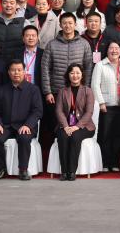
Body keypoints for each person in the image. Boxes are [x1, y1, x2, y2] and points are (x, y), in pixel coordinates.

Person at [40, 13, 93, 150]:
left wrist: (85, 89)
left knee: (76, 126)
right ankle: (56, 157)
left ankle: (72, 155)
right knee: (57, 126)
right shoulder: (52, 44)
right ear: (60, 25)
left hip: (78, 92)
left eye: (70, 23)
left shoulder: (84, 44)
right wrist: (47, 91)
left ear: (75, 24)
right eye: (64, 23)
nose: (67, 26)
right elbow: (45, 68)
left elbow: (88, 67)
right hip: (56, 92)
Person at [0, 60, 42, 180]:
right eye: (13, 70)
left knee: (24, 138)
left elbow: (37, 111)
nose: (16, 73)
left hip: (25, 126)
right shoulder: (2, 89)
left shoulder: (33, 89)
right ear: (8, 72)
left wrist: (28, 125)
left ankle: (23, 170)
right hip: (6, 126)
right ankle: (0, 169)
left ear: (24, 72)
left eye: (19, 70)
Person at [91, 41, 120, 171]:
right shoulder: (100, 65)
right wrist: (101, 102)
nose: (114, 50)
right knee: (105, 135)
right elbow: (94, 85)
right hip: (106, 107)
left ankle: (114, 162)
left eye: (116, 48)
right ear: (107, 50)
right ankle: (105, 162)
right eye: (111, 48)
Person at [55, 63, 95, 181]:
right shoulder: (62, 91)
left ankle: (72, 171)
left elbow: (89, 112)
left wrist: (77, 126)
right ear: (68, 75)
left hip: (84, 127)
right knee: (63, 137)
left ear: (82, 75)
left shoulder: (88, 91)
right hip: (66, 125)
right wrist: (66, 126)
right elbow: (59, 111)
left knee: (75, 137)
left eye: (78, 73)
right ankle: (64, 172)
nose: (75, 75)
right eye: (72, 73)